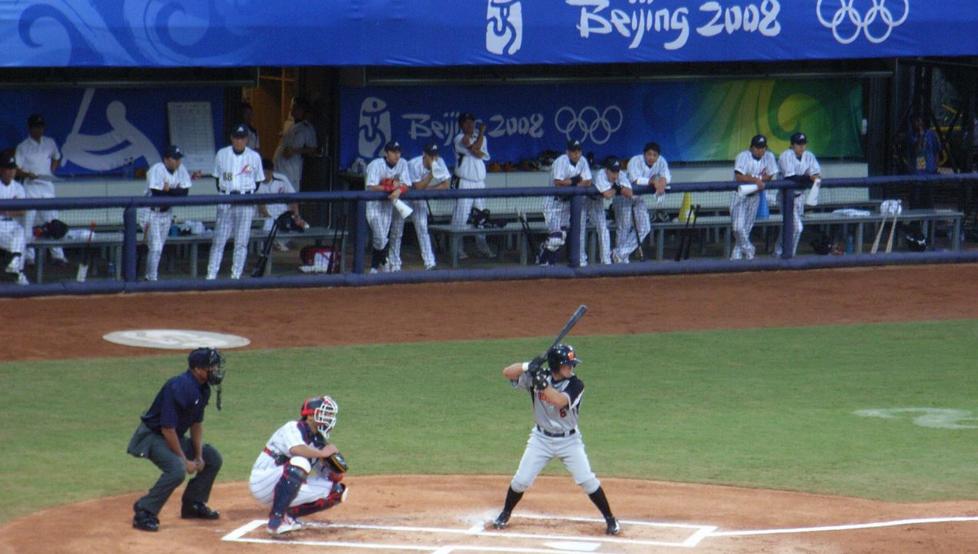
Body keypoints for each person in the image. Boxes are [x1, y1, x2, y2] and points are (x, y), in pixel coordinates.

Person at [490, 344, 621, 536]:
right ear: (557, 365)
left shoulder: (576, 385)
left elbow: (559, 400)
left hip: (569, 441)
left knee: (587, 480)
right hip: (540, 439)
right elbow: (507, 373)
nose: (572, 367)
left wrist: (542, 383)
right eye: (568, 364)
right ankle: (505, 513)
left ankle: (610, 519)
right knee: (521, 481)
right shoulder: (537, 377)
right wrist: (528, 366)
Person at [127, 348, 225, 532]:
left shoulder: (203, 388)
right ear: (197, 369)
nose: (215, 370)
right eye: (211, 366)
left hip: (172, 436)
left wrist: (198, 455)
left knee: (212, 458)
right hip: (152, 436)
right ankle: (144, 511)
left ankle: (192, 505)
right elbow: (167, 428)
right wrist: (184, 459)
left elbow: (196, 424)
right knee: (177, 470)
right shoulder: (179, 386)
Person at [249, 395, 349, 535]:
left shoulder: (318, 442)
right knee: (300, 462)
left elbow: (332, 475)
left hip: (283, 485)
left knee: (337, 492)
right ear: (310, 416)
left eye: (330, 415)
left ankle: (288, 516)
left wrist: (334, 468)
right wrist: (323, 454)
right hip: (264, 478)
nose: (328, 418)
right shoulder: (293, 427)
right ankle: (276, 520)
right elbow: (296, 449)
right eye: (325, 414)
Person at [206, 124, 264, 280]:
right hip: (226, 199)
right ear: (232, 138)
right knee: (219, 240)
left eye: (242, 138)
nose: (239, 141)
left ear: (246, 139)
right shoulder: (222, 154)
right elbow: (217, 179)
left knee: (241, 242)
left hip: (246, 200)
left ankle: (236, 275)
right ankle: (211, 275)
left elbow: (258, 182)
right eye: (237, 138)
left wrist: (246, 192)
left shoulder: (254, 157)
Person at [15, 113, 68, 266]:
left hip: (47, 187)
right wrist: (27, 174)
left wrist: (51, 171)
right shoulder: (23, 146)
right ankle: (28, 257)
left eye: (40, 127)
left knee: (53, 222)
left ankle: (57, 256)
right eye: (35, 127)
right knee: (28, 223)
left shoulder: (50, 142)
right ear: (30, 128)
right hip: (30, 188)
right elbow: (16, 169)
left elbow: (57, 157)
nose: (38, 130)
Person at [390, 143, 449, 271]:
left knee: (422, 229)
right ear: (424, 155)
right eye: (431, 156)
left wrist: (429, 188)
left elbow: (445, 185)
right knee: (397, 230)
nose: (434, 159)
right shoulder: (413, 164)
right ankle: (394, 264)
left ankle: (430, 263)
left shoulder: (440, 161)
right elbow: (418, 187)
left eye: (435, 156)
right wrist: (432, 175)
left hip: (418, 199)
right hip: (404, 197)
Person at [144, 145, 196, 281]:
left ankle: (149, 276)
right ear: (166, 159)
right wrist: (174, 192)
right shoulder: (157, 169)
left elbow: (184, 193)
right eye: (175, 159)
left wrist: (169, 191)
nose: (178, 162)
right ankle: (152, 278)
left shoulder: (181, 169)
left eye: (179, 159)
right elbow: (157, 193)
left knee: (158, 248)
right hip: (151, 213)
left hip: (167, 213)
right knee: (155, 247)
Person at [541, 140, 592, 266]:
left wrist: (572, 182)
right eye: (573, 151)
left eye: (578, 151)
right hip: (553, 203)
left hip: (567, 204)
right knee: (556, 238)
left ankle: (549, 263)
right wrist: (575, 181)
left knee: (561, 237)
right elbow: (558, 182)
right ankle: (542, 257)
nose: (576, 154)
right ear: (567, 152)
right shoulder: (560, 161)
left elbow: (588, 181)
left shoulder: (583, 161)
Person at [452, 112, 495, 259]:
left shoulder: (482, 138)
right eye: (466, 122)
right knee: (461, 217)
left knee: (482, 216)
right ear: (461, 125)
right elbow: (475, 151)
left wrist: (479, 139)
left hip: (479, 183)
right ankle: (457, 249)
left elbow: (481, 154)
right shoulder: (458, 138)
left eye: (472, 122)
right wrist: (481, 133)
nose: (470, 124)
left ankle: (482, 247)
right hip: (464, 182)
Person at [364, 140, 411, 273]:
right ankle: (385, 261)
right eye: (393, 152)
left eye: (398, 152)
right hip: (374, 205)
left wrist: (399, 190)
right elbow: (371, 186)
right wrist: (390, 187)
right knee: (379, 236)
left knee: (382, 238)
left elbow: (407, 184)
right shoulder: (376, 165)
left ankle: (374, 267)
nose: (397, 155)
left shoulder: (403, 163)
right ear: (386, 153)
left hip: (388, 206)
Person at [731, 134, 778, 260]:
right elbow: (739, 176)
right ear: (752, 147)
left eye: (763, 147)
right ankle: (749, 249)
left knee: (746, 229)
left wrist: (758, 179)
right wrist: (756, 179)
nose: (760, 150)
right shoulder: (743, 156)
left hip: (755, 197)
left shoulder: (769, 157)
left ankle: (737, 255)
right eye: (758, 147)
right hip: (740, 195)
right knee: (737, 227)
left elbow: (770, 175)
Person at [620, 142, 670, 263]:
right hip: (623, 196)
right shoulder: (635, 161)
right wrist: (653, 181)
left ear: (658, 156)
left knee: (645, 228)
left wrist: (661, 182)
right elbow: (635, 180)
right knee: (624, 228)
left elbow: (667, 177)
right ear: (644, 154)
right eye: (649, 154)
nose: (651, 157)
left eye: (654, 155)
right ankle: (622, 259)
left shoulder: (661, 161)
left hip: (638, 198)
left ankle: (620, 253)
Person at [776, 132, 821, 257]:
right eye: (798, 144)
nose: (801, 147)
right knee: (797, 228)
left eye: (803, 144)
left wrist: (814, 177)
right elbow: (791, 177)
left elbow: (816, 174)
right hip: (786, 197)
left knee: (789, 226)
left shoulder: (809, 156)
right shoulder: (786, 155)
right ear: (792, 145)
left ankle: (778, 252)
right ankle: (790, 254)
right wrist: (809, 178)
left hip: (800, 196)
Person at [257, 158, 307, 252]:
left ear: (272, 171)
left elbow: (293, 198)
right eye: (263, 173)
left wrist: (297, 216)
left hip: (283, 214)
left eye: (267, 173)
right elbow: (261, 208)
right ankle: (271, 247)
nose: (265, 176)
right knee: (268, 226)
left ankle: (280, 244)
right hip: (266, 216)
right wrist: (272, 219)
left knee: (302, 226)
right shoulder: (256, 182)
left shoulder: (281, 178)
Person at [273, 97, 318, 191]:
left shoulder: (307, 128)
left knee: (290, 198)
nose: (293, 110)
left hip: (291, 170)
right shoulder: (289, 125)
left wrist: (294, 151)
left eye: (296, 108)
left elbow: (313, 149)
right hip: (279, 167)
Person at [0, 151, 29, 285]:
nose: (11, 171)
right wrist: (11, 210)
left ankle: (14, 266)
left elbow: (23, 210)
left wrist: (6, 211)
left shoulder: (18, 187)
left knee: (21, 233)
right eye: (8, 168)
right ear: (1, 169)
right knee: (18, 241)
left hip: (10, 224)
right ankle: (18, 272)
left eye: (13, 168)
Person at [583, 157, 619, 265]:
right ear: (606, 170)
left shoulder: (618, 176)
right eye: (613, 171)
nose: (615, 174)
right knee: (580, 230)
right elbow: (608, 195)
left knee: (603, 229)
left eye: (617, 171)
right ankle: (580, 260)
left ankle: (606, 261)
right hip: (583, 201)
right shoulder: (600, 175)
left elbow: (628, 189)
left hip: (596, 202)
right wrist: (617, 188)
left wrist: (618, 187)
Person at [909, 115, 941, 211]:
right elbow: (917, 149)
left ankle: (929, 218)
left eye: (919, 121)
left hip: (930, 168)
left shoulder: (932, 134)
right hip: (919, 168)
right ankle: (915, 218)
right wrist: (920, 135)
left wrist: (936, 167)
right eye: (916, 121)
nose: (917, 124)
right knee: (916, 194)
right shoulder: (913, 134)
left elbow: (936, 151)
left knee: (929, 195)